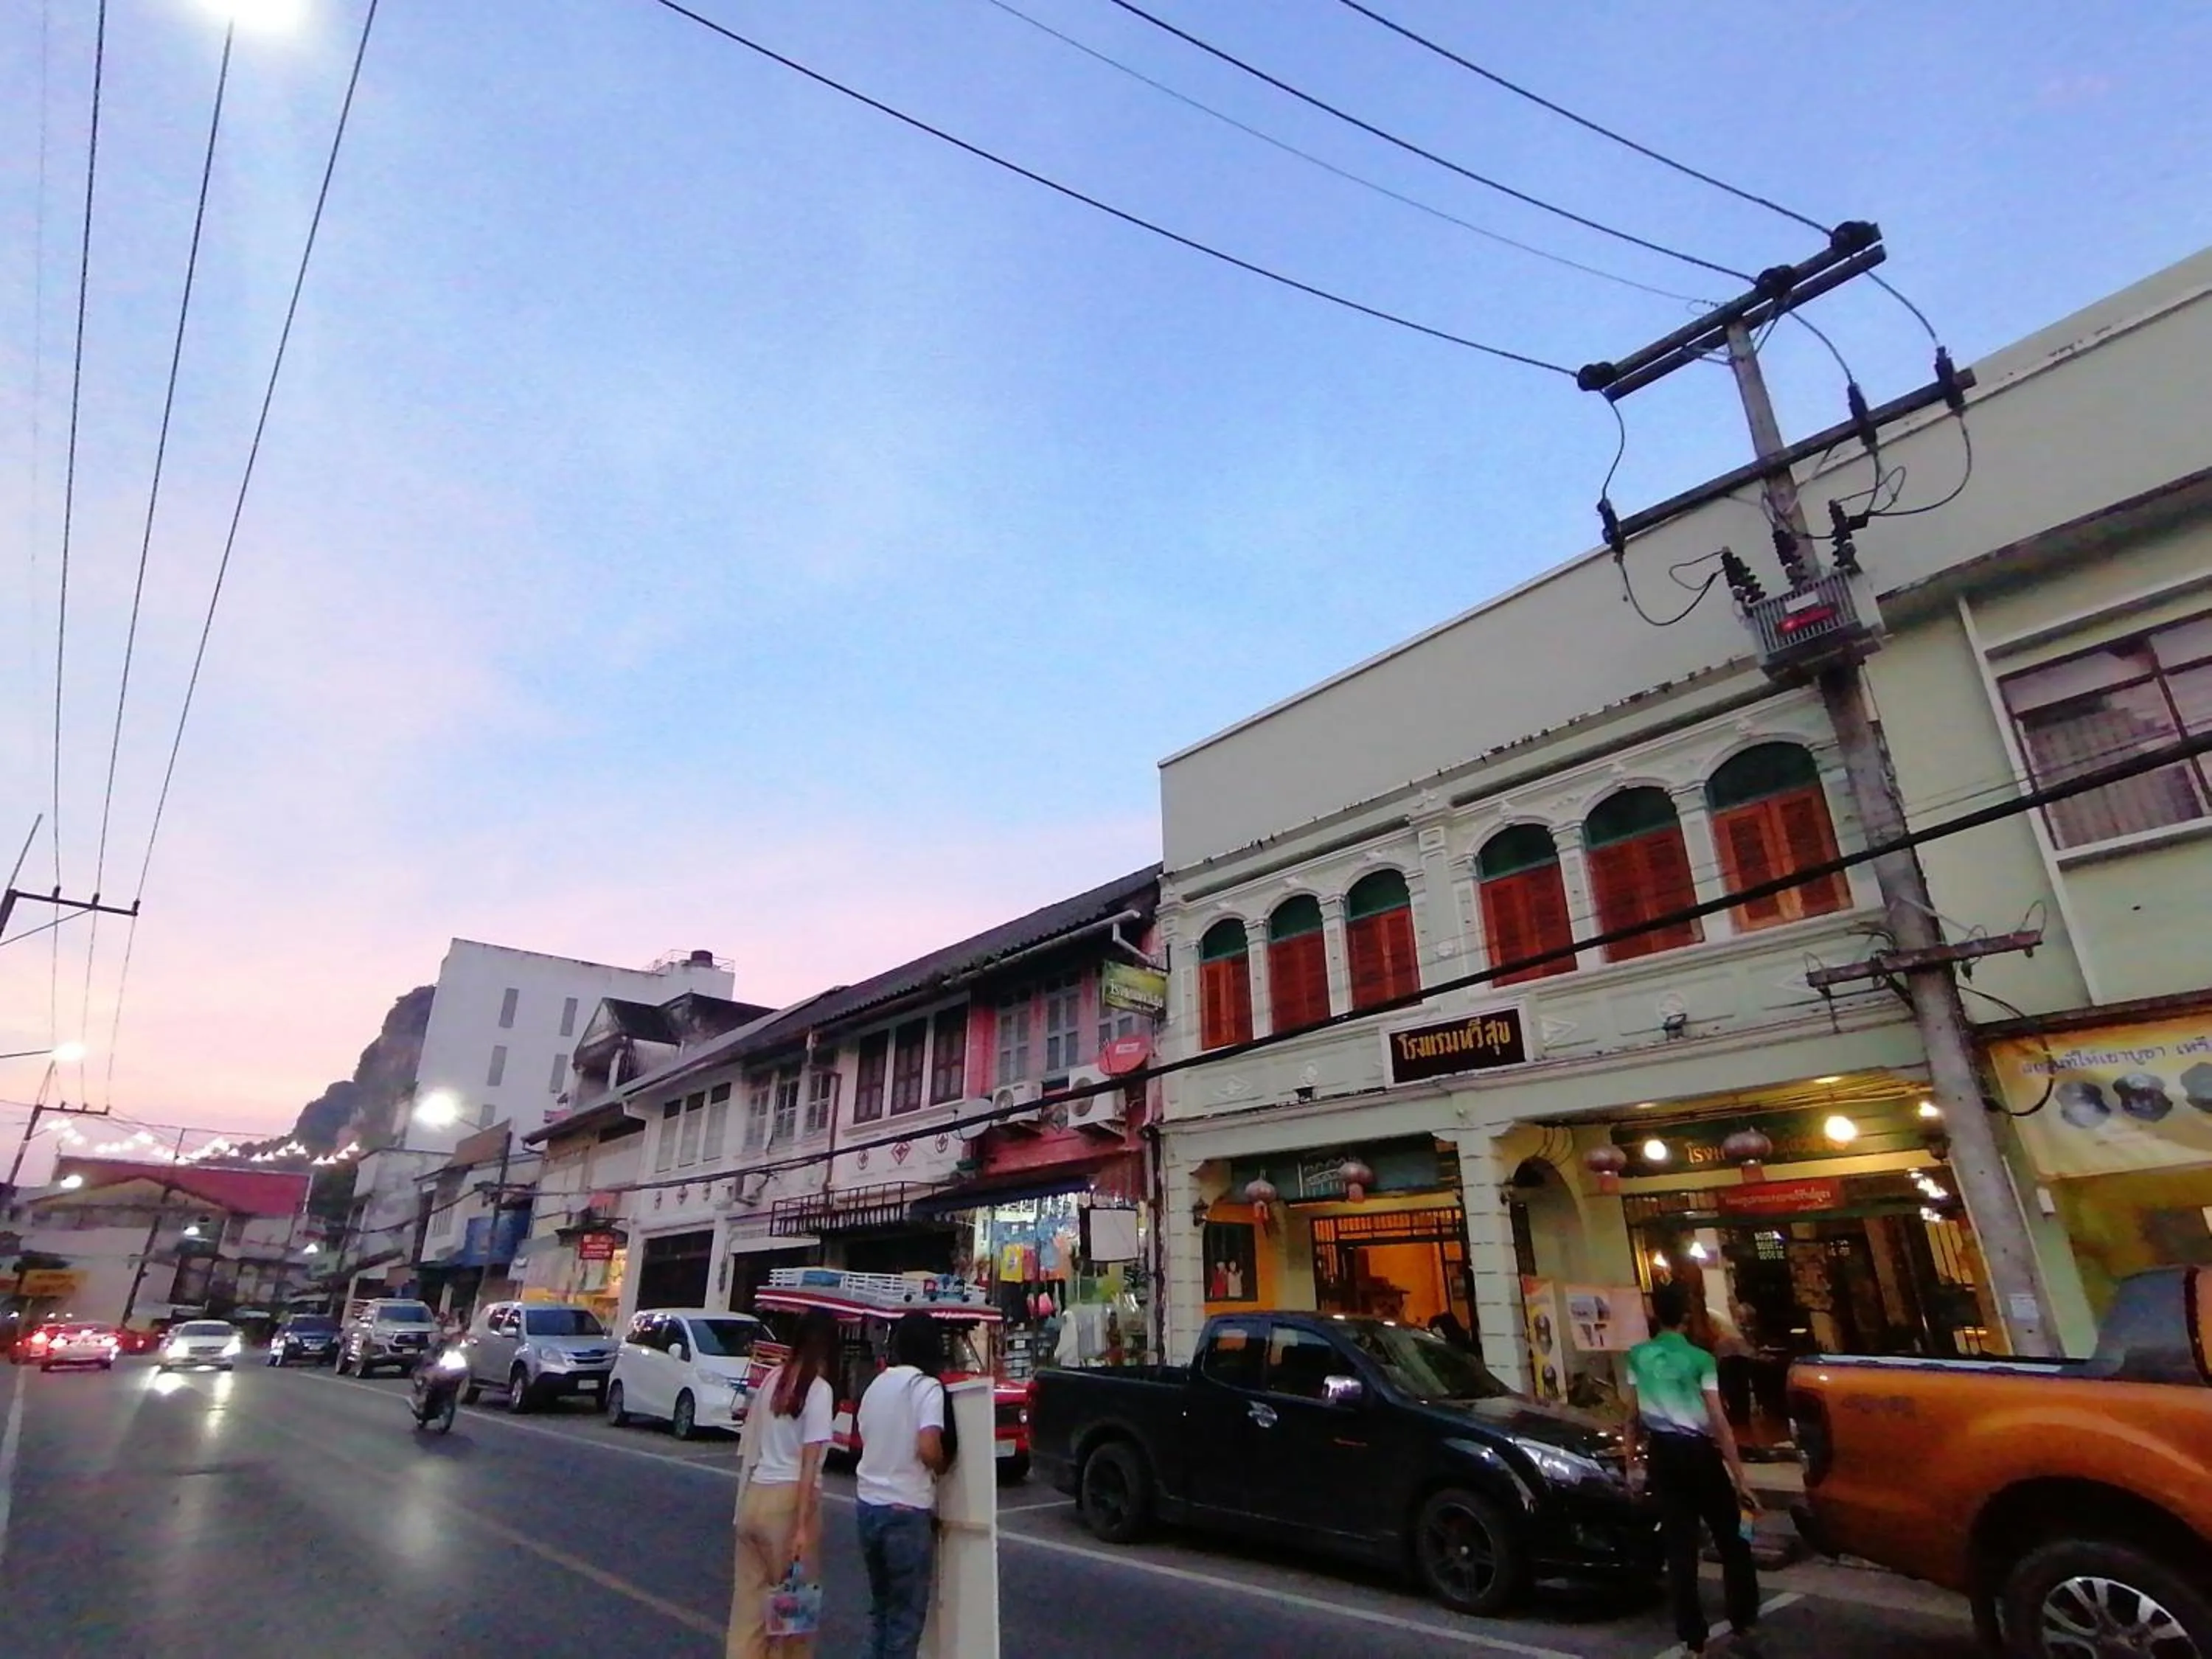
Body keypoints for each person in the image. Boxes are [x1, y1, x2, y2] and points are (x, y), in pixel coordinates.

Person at [1623, 1281, 1763, 1658]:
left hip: (1663, 1457)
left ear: (1655, 1313)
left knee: (1679, 1548)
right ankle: (1743, 1619)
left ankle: (1693, 1640)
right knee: (1732, 1538)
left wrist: (1632, 1464)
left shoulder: (1638, 1356)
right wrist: (1739, 1476)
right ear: (1685, 1315)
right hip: (1699, 1453)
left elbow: (1632, 1417)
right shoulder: (1701, 1359)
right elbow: (1718, 1419)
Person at [728, 1309, 837, 1659]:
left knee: (748, 1616)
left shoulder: (773, 1379)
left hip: (755, 1499)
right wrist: (803, 1527)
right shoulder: (818, 1391)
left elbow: (752, 1444)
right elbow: (808, 1464)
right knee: (792, 1622)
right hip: (787, 1507)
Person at [854, 1311, 955, 1659]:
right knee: (905, 1623)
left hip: (868, 1507)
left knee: (881, 1614)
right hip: (905, 1510)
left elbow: (865, 1435)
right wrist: (941, 1465)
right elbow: (929, 1447)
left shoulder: (877, 1384)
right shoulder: (926, 1388)